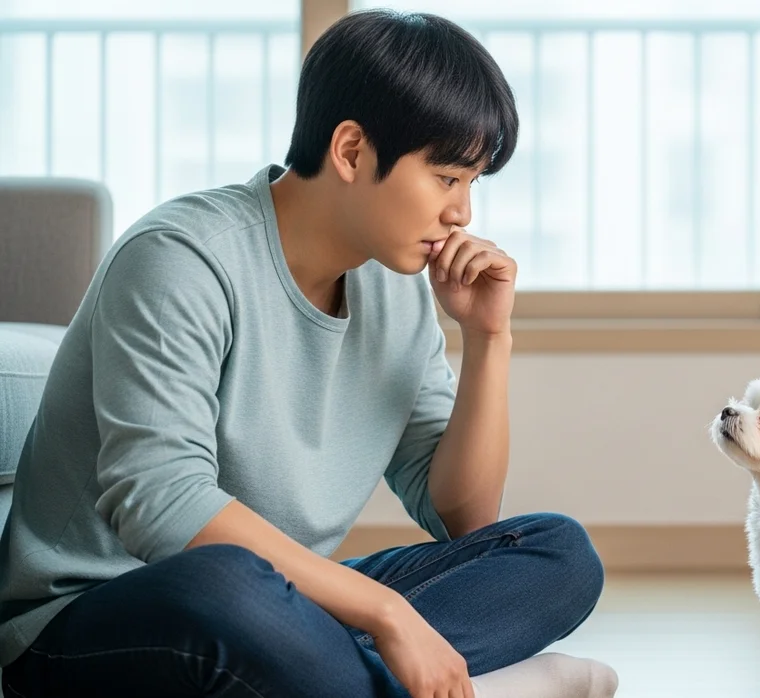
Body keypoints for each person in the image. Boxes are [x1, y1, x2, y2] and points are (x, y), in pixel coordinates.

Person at [0, 9, 617, 698]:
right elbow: (164, 506)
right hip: (92, 623)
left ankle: (340, 678)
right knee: (229, 581)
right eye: (447, 178)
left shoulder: (397, 286)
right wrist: (385, 613)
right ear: (351, 151)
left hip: (278, 610)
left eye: (473, 183)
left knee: (558, 553)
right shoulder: (182, 258)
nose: (463, 213)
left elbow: (462, 521)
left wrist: (487, 339)